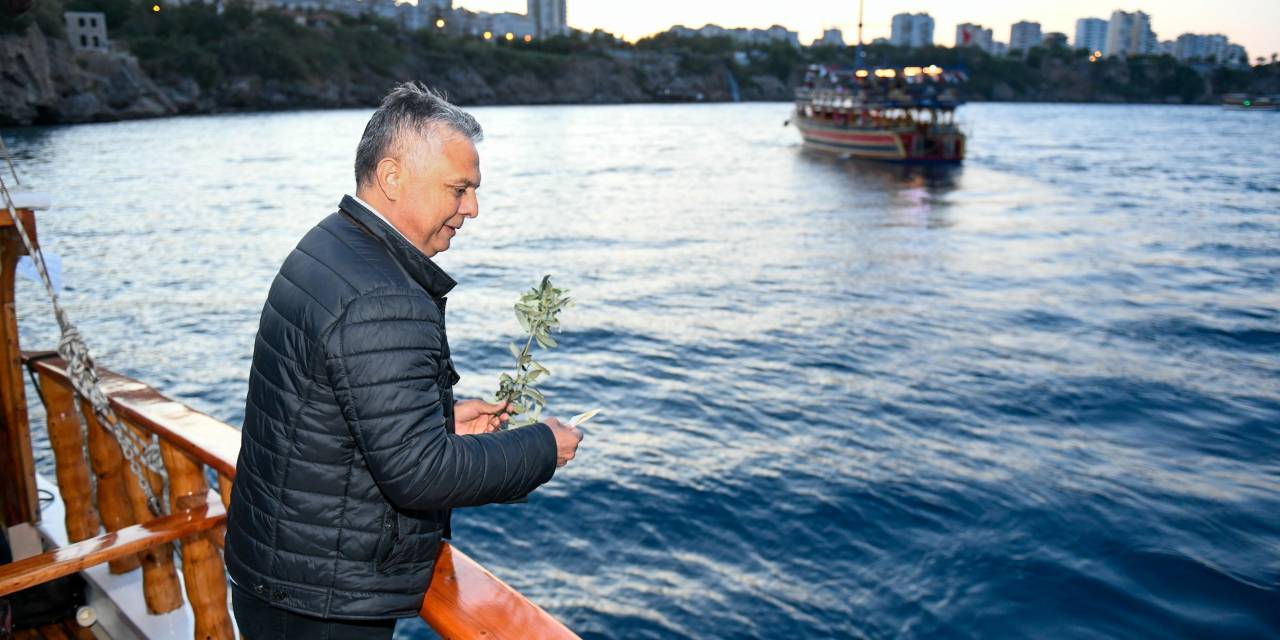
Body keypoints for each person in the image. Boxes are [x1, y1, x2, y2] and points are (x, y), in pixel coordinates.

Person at [224, 82, 584, 639]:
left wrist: (440, 419)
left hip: (282, 576)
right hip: (324, 603)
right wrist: (541, 447)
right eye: (459, 188)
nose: (473, 208)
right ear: (392, 178)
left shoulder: (330, 245)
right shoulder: (384, 296)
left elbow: (334, 416)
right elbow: (420, 474)